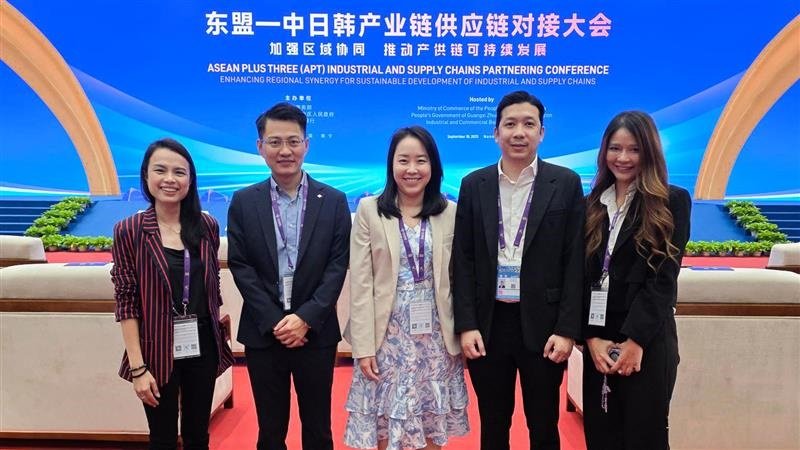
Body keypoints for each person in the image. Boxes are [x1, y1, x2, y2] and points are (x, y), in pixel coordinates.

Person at [452, 90, 585, 450]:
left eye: (529, 124)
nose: (519, 132)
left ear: (542, 132)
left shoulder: (565, 183)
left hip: (544, 327)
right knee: (494, 423)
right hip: (489, 324)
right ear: (496, 132)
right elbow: (462, 261)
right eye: (510, 124)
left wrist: (567, 330)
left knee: (543, 424)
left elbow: (574, 261)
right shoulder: (474, 184)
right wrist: (466, 324)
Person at [227, 102, 351, 450]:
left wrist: (305, 318)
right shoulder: (244, 202)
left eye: (293, 141)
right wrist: (275, 321)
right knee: (270, 432)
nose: (285, 151)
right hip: (264, 333)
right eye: (275, 141)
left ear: (306, 145)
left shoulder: (334, 201)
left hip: (316, 332)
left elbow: (337, 265)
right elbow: (241, 265)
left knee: (318, 429)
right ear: (260, 146)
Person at [344, 126, 470, 450]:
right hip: (386, 340)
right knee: (387, 424)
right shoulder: (369, 210)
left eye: (421, 160)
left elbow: (460, 279)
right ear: (391, 165)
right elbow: (361, 284)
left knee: (431, 422)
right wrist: (364, 347)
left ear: (433, 166)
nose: (412, 169)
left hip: (435, 340)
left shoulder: (451, 212)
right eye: (403, 160)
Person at [111, 138, 234, 450]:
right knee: (163, 439)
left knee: (198, 436)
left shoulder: (206, 225)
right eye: (160, 170)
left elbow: (212, 285)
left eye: (179, 172)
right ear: (146, 175)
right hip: (156, 349)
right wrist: (138, 368)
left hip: (202, 344)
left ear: (190, 180)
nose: (170, 179)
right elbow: (126, 301)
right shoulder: (129, 230)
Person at [581, 111, 691, 450]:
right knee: (601, 437)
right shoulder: (591, 205)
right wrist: (590, 338)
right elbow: (580, 277)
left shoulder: (671, 201)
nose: (623, 158)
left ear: (650, 152)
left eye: (634, 149)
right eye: (615, 148)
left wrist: (635, 341)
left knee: (645, 439)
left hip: (647, 341)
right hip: (599, 340)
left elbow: (663, 279)